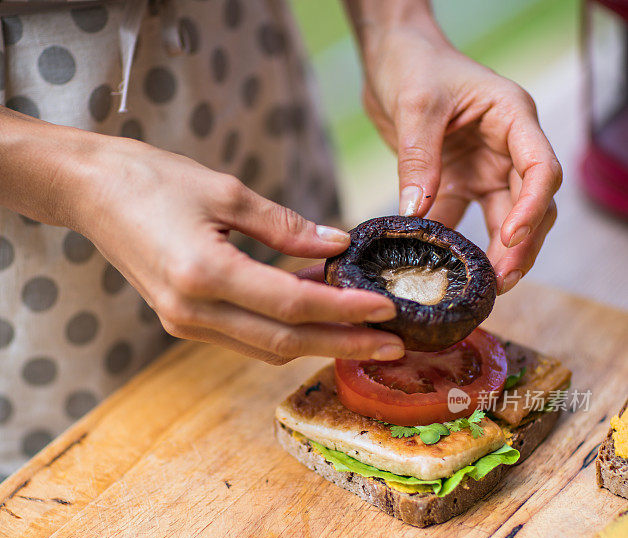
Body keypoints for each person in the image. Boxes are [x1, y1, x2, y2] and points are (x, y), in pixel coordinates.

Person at [0, 0, 561, 477]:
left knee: (311, 287)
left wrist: (398, 25)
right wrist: (85, 186)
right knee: (88, 469)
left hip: (241, 73)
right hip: (36, 196)